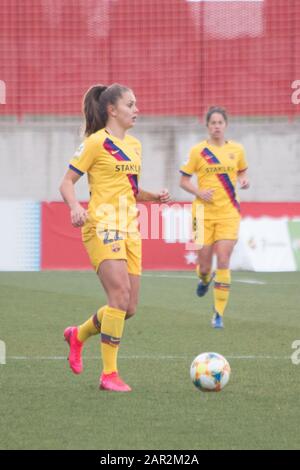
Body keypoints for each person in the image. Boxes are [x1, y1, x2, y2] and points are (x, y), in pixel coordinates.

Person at [59, 83, 171, 392]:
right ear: (112, 110)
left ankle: (77, 334)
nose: (137, 109)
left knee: (128, 307)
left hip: (131, 228)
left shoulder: (134, 145)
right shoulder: (95, 143)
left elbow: (131, 190)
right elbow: (67, 182)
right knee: (119, 297)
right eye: (131, 104)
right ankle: (109, 375)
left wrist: (153, 196)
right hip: (102, 226)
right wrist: (74, 207)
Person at [179, 106, 249, 328]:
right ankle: (204, 278)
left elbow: (242, 171)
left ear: (225, 125)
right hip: (202, 214)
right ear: (207, 126)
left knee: (224, 259)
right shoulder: (198, 151)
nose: (217, 126)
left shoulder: (237, 150)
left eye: (220, 122)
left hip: (228, 213)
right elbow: (184, 181)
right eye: (213, 123)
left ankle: (218, 313)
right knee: (205, 265)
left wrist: (244, 180)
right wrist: (198, 192)